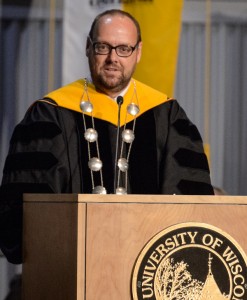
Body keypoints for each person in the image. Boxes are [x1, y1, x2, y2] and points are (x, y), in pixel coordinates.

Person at [0, 9, 214, 264]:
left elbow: (189, 204)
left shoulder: (167, 115)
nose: (113, 58)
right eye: (103, 47)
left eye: (124, 48)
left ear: (138, 52)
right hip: (72, 265)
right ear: (88, 47)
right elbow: (28, 213)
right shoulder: (50, 114)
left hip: (147, 269)